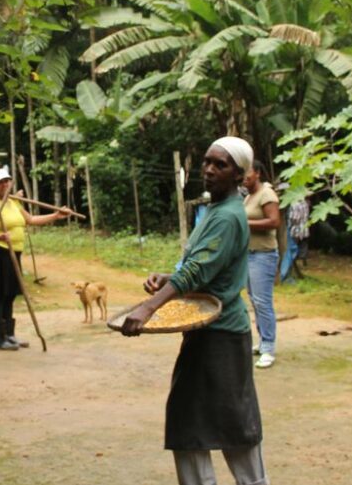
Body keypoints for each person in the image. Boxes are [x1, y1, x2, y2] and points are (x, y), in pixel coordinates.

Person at [121, 137, 269, 485]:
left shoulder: (229, 216)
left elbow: (197, 273)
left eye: (221, 164)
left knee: (235, 425)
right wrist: (168, 277)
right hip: (203, 331)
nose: (209, 170)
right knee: (188, 422)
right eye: (207, 162)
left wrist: (148, 307)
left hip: (223, 335)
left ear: (239, 175)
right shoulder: (215, 211)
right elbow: (205, 267)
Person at [0, 166, 71, 351]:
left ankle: (9, 335)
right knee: (0, 294)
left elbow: (31, 220)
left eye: (7, 181)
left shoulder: (13, 202)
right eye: (0, 182)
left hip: (16, 253)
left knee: (11, 294)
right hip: (0, 252)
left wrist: (56, 215)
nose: (5, 185)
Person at [243, 160, 281, 369]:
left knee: (263, 302)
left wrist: (244, 222)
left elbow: (274, 221)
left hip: (263, 256)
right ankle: (263, 341)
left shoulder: (267, 194)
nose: (244, 177)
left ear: (257, 173)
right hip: (249, 255)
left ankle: (268, 348)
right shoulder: (249, 195)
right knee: (255, 301)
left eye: (248, 172)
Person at [278, 184, 309, 283]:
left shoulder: (297, 203)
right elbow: (295, 218)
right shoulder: (300, 203)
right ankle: (284, 276)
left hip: (295, 229)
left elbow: (293, 218)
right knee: (290, 251)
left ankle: (285, 275)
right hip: (296, 230)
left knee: (291, 250)